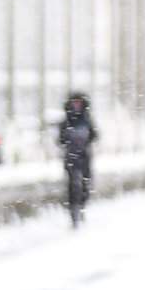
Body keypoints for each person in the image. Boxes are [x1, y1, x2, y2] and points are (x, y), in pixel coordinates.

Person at [57, 92, 97, 227]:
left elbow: (94, 135)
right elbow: (60, 140)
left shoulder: (87, 120)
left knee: (85, 184)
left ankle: (81, 207)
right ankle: (73, 210)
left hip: (84, 156)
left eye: (79, 102)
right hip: (71, 157)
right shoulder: (66, 121)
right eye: (74, 102)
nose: (76, 105)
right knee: (72, 186)